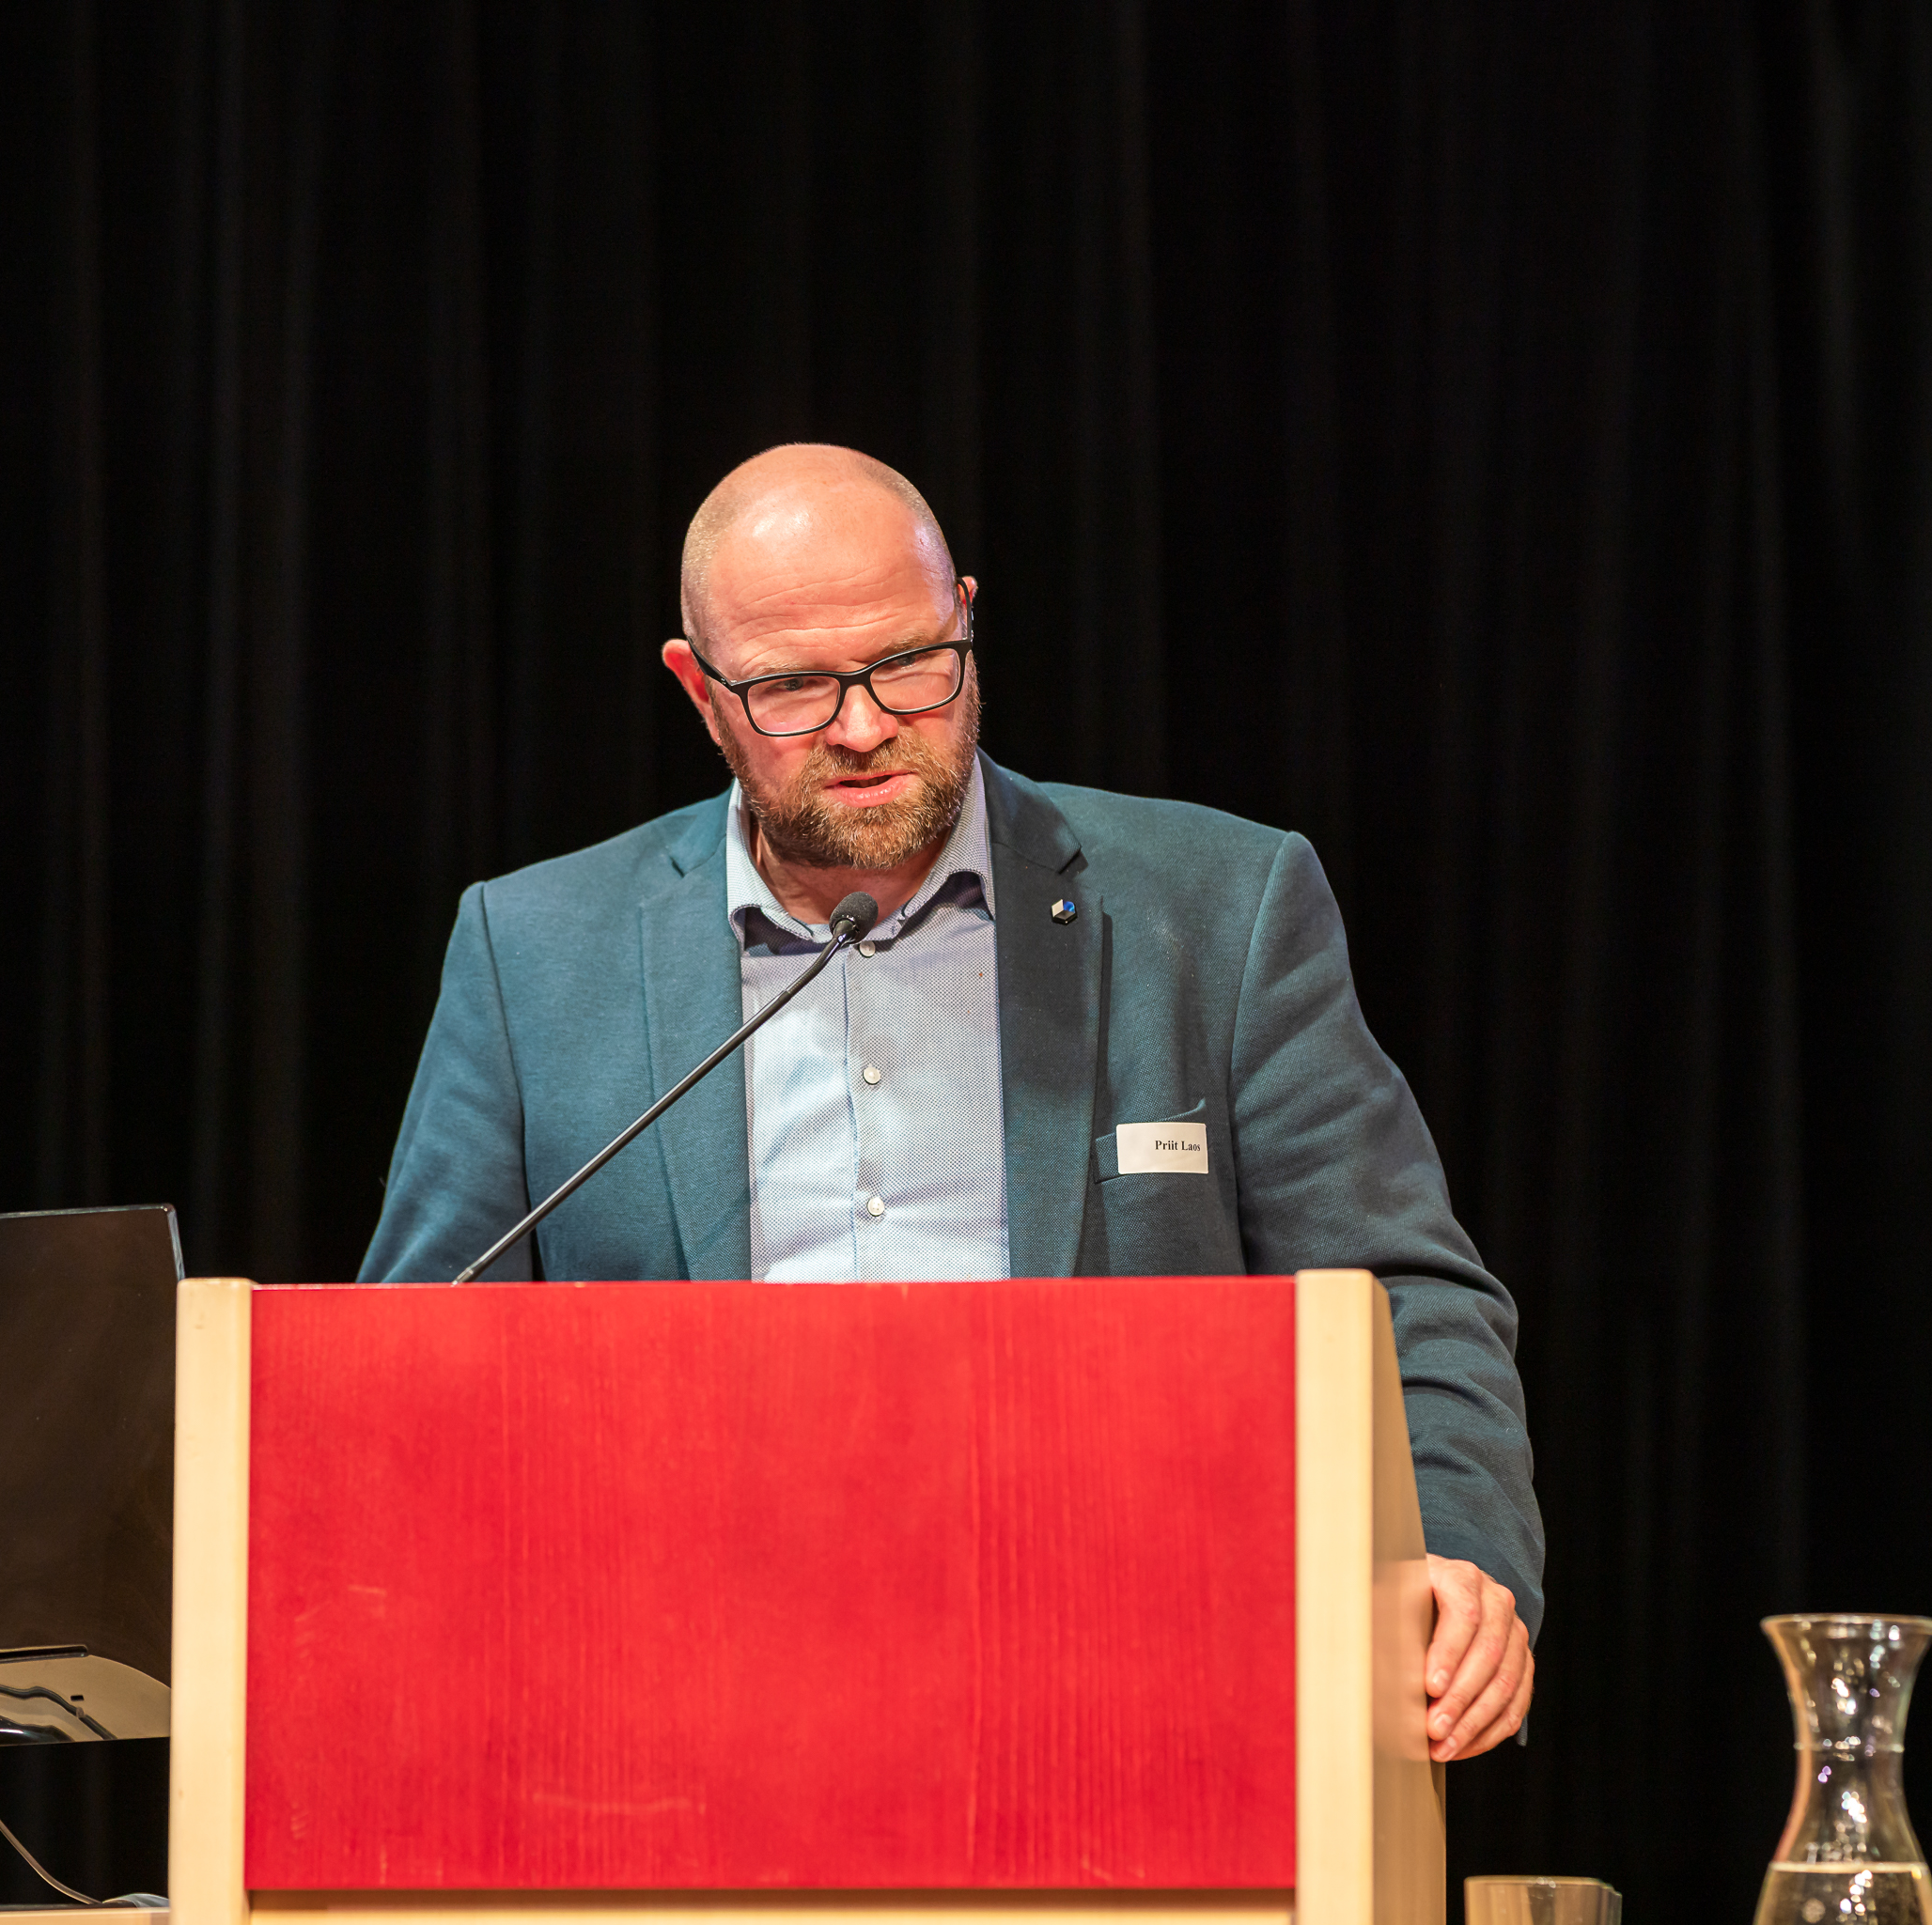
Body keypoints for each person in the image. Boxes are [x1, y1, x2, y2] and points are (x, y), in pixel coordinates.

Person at [362, 443, 1543, 1761]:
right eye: (796, 688)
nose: (866, 727)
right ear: (700, 691)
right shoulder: (533, 955)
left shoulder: (1216, 908)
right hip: (672, 1711)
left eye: (912, 663)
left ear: (967, 620)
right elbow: (407, 1368)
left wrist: (1456, 1552)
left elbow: (1404, 1293)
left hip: (1132, 1697)